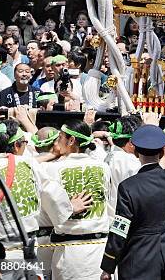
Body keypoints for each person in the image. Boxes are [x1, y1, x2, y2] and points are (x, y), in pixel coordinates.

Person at [100, 124, 165, 280]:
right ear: (162, 150)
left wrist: (108, 267)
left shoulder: (128, 187)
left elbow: (119, 229)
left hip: (138, 259)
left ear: (136, 152)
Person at [45, 119, 111, 280]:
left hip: (70, 253)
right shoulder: (103, 167)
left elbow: (47, 207)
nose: (57, 141)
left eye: (60, 137)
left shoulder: (52, 169)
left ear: (71, 140)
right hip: (100, 251)